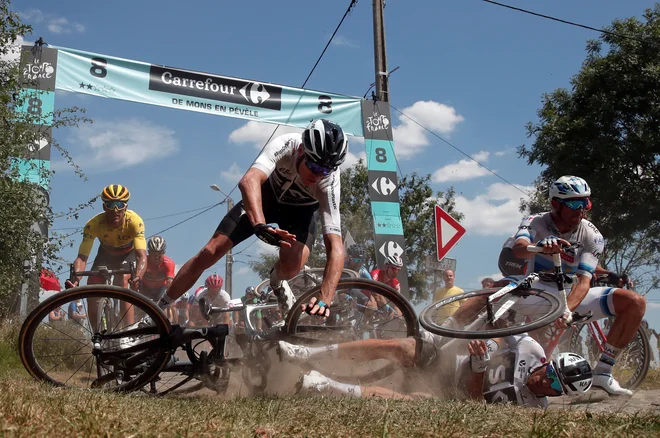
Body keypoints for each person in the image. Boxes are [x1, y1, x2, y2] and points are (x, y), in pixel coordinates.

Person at [159, 119, 348, 319]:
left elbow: (335, 247)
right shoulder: (287, 144)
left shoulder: (329, 182)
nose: (318, 175)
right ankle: (158, 308)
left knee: (293, 265)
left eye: (325, 170)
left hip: (301, 213)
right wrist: (259, 224)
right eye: (314, 166)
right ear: (302, 150)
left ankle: (277, 280)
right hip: (265, 200)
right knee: (210, 252)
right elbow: (249, 180)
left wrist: (325, 298)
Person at [499, 175, 645, 396]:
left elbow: (585, 280)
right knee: (487, 298)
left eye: (585, 202)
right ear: (556, 204)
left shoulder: (592, 235)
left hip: (568, 294)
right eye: (574, 204)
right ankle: (439, 339)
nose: (582, 209)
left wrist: (566, 311)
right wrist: (537, 247)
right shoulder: (535, 221)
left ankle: (603, 372)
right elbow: (518, 249)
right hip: (536, 290)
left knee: (634, 302)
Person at [280, 333, 593, 406]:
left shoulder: (533, 408)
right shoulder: (533, 350)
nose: (546, 384)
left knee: (413, 403)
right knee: (404, 347)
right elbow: (501, 330)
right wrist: (490, 348)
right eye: (551, 375)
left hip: (453, 394)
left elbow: (474, 404)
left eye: (556, 388)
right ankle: (311, 352)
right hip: (448, 365)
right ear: (549, 365)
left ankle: (323, 384)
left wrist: (481, 369)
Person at [65, 184, 147, 327]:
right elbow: (83, 257)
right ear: (104, 207)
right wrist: (76, 279)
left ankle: (128, 332)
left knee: (123, 281)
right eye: (111, 205)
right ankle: (97, 335)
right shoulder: (94, 224)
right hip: (105, 255)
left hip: (128, 255)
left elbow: (142, 256)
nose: (115, 210)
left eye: (119, 204)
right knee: (92, 289)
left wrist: (138, 276)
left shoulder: (135, 221)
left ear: (125, 207)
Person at [141, 236, 175, 303]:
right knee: (139, 308)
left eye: (159, 254)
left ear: (164, 253)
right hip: (145, 287)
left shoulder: (169, 263)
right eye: (154, 254)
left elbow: (170, 283)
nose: (156, 257)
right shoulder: (144, 262)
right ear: (149, 252)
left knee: (162, 307)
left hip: (161, 288)